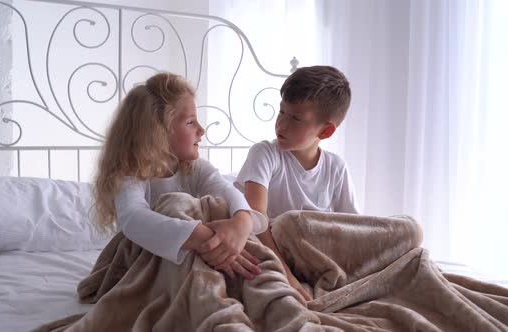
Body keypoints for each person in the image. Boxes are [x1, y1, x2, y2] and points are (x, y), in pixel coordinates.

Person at [92, 72, 267, 280]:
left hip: (197, 252)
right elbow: (134, 218)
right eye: (191, 122)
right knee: (175, 205)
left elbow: (227, 191)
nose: (201, 130)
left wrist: (241, 223)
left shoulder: (195, 168)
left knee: (220, 208)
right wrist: (204, 237)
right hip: (142, 262)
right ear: (157, 132)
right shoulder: (129, 174)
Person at [234, 66, 359, 300]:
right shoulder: (264, 153)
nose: (280, 125)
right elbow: (256, 221)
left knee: (408, 230)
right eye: (281, 112)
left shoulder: (336, 167)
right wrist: (289, 278)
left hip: (314, 259)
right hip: (273, 252)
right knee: (288, 224)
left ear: (326, 131)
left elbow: (353, 232)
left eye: (295, 118)